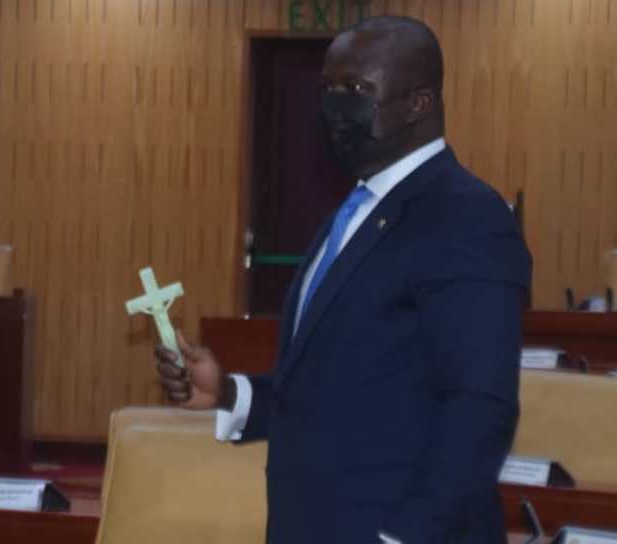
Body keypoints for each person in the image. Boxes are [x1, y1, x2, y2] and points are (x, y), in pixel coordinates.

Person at [156, 15, 531, 544]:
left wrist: (406, 536)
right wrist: (229, 393)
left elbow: (478, 406)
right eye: (328, 88)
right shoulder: (356, 210)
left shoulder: (465, 216)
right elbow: (338, 391)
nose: (335, 107)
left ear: (419, 103)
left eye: (356, 89)